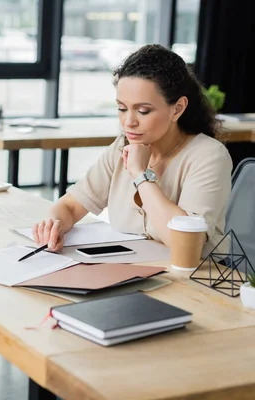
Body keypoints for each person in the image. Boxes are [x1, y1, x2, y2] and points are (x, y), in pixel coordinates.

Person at [33, 44, 232, 257]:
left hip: (194, 283)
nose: (128, 122)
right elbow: (71, 207)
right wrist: (53, 226)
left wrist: (140, 175)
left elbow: (184, 243)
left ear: (178, 108)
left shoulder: (209, 156)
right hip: (133, 273)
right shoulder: (122, 147)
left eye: (143, 110)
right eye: (121, 108)